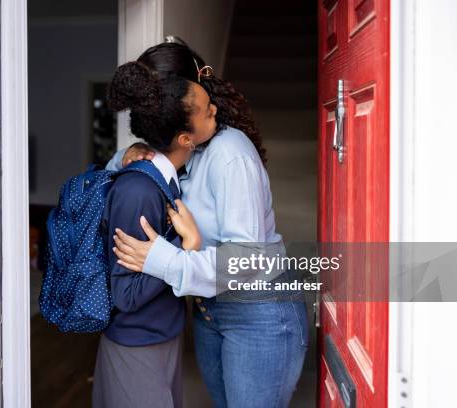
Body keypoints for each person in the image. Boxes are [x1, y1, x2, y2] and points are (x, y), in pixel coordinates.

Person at [106, 39, 309, 408]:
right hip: (208, 309)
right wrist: (125, 156)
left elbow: (247, 259)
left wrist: (162, 259)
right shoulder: (179, 147)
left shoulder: (229, 154)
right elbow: (110, 183)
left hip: (258, 313)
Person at [92, 58, 217, 408]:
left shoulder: (166, 181)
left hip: (162, 334)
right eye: (207, 111)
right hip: (135, 346)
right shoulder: (139, 191)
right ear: (185, 138)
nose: (215, 111)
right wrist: (186, 244)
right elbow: (126, 296)